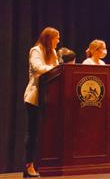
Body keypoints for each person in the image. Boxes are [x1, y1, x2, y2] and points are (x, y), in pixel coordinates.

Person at [23, 27, 60, 178]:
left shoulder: (53, 53)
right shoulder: (36, 50)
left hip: (50, 98)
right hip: (35, 98)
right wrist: (54, 68)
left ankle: (44, 165)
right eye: (56, 38)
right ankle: (28, 165)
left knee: (46, 133)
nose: (58, 41)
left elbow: (59, 69)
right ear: (49, 38)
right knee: (33, 133)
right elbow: (38, 68)